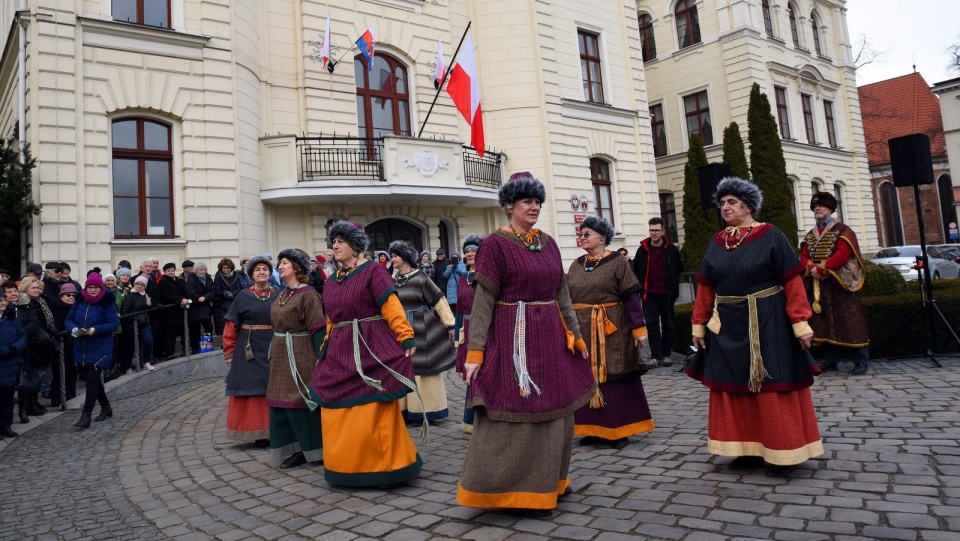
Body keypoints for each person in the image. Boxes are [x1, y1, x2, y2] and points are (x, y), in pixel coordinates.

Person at [458, 172, 594, 517]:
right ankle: (507, 489)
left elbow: (561, 294)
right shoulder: (494, 245)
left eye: (537, 201)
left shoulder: (548, 243)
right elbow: (484, 302)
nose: (533, 207)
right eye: (526, 202)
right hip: (510, 337)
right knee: (511, 407)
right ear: (509, 207)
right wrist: (476, 353)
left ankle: (550, 484)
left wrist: (576, 336)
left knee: (554, 407)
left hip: (549, 338)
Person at [687, 176, 822, 478]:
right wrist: (699, 326)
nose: (725, 207)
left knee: (771, 383)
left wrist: (800, 322)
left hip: (768, 320)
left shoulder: (771, 235)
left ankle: (782, 451)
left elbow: (792, 281)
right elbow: (706, 288)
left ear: (748, 206)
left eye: (732, 202)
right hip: (727, 325)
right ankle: (744, 449)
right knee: (733, 385)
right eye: (722, 203)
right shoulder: (717, 242)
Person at [310, 221, 423, 486]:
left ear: (356, 245)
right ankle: (344, 466)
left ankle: (384, 467)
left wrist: (405, 336)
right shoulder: (330, 283)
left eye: (340, 241)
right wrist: (325, 345)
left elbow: (391, 307)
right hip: (340, 347)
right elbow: (331, 319)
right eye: (333, 241)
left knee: (372, 405)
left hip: (371, 344)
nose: (334, 246)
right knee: (334, 403)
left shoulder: (374, 271)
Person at [569, 215, 653, 450]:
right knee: (586, 376)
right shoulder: (576, 264)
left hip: (613, 329)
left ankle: (619, 429)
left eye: (587, 234)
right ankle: (591, 428)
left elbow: (631, 297)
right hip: (583, 328)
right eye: (581, 234)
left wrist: (639, 329)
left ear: (602, 238)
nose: (582, 238)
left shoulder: (618, 263)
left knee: (615, 373)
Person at [266, 248, 325, 469]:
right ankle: (293, 448)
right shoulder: (282, 293)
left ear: (297, 268)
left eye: (285, 263)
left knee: (301, 400)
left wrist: (322, 357)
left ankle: (313, 449)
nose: (280, 266)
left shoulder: (308, 293)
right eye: (279, 263)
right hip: (281, 353)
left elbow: (318, 327)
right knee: (279, 400)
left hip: (300, 353)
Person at [801, 192, 870, 375]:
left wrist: (822, 269)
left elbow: (843, 253)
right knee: (824, 324)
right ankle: (830, 361)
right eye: (815, 206)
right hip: (820, 286)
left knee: (849, 321)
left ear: (830, 209)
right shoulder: (810, 234)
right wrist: (811, 268)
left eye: (821, 205)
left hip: (840, 284)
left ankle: (860, 361)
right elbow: (804, 255)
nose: (817, 208)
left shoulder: (843, 230)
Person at [389, 240, 456, 425]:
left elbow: (438, 300)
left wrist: (450, 324)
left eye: (395, 256)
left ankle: (429, 410)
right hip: (399, 330)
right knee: (403, 367)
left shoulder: (420, 277)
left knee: (425, 369)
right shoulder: (391, 280)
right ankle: (406, 411)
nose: (392, 259)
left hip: (422, 328)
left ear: (405, 257)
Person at [222, 256, 278, 446]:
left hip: (273, 347)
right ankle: (257, 432)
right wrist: (229, 352)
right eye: (257, 270)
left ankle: (275, 431)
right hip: (248, 350)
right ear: (252, 274)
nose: (261, 272)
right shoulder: (243, 296)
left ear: (270, 273)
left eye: (265, 269)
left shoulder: (280, 294)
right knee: (252, 390)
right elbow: (231, 325)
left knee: (273, 388)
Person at [66, 273, 120, 428]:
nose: (93, 290)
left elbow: (113, 324)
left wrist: (95, 330)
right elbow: (69, 319)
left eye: (96, 287)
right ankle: (106, 407)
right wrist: (73, 328)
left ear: (101, 287)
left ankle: (86, 415)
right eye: (90, 287)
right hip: (81, 346)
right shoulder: (79, 300)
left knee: (91, 379)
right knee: (93, 379)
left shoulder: (107, 303)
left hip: (100, 346)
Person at [632, 216, 684, 368]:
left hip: (667, 294)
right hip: (649, 294)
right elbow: (636, 269)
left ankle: (666, 355)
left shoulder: (671, 249)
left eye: (657, 230)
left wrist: (672, 285)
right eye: (651, 230)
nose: (654, 233)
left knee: (668, 325)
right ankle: (656, 356)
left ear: (663, 231)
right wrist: (641, 287)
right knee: (652, 325)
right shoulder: (642, 250)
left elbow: (679, 268)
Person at [454, 234, 483, 434]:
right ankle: (470, 420)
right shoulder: (463, 278)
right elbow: (459, 308)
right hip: (467, 328)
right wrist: (457, 333)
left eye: (473, 250)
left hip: (484, 328)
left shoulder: (487, 275)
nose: (470, 253)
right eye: (467, 251)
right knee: (471, 375)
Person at [18, 277, 58, 420]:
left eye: (38, 288)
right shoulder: (23, 303)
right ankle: (29, 404)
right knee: (30, 375)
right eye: (34, 288)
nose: (37, 290)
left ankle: (34, 401)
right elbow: (32, 323)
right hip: (30, 343)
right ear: (25, 288)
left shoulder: (40, 301)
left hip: (42, 342)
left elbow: (46, 320)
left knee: (39, 374)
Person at [0, 296, 26, 439]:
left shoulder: (11, 318)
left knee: (7, 398)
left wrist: (13, 349)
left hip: (10, 363)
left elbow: (22, 336)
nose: (3, 302)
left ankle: (6, 426)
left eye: (4, 299)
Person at [50, 283, 79, 406]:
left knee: (72, 372)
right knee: (59, 374)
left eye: (73, 295)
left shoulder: (76, 307)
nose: (71, 297)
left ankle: (71, 396)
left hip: (74, 344)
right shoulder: (56, 308)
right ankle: (58, 399)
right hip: (62, 345)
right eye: (68, 295)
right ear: (61, 296)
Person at [121, 276, 155, 372]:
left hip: (144, 323)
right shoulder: (130, 296)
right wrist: (134, 319)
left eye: (142, 285)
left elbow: (147, 309)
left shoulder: (146, 295)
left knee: (148, 341)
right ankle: (127, 367)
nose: (139, 286)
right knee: (130, 346)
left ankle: (146, 362)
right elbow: (124, 312)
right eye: (137, 284)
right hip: (132, 324)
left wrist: (149, 305)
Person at [158, 263, 190, 358]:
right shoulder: (163, 282)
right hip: (169, 313)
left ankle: (185, 350)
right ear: (165, 272)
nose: (171, 272)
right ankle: (169, 353)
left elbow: (184, 291)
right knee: (170, 335)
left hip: (179, 311)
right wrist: (180, 300)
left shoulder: (178, 281)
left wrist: (184, 299)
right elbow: (166, 295)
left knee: (182, 332)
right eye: (168, 271)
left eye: (172, 270)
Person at [186, 262, 215, 353]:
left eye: (204, 270)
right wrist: (199, 297)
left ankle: (206, 346)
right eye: (200, 270)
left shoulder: (209, 278)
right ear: (196, 270)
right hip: (195, 307)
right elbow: (191, 293)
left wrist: (205, 297)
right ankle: (195, 348)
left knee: (209, 327)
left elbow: (213, 291)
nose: (202, 272)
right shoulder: (191, 280)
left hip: (205, 307)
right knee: (195, 329)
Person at [213, 258, 245, 336]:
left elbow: (238, 288)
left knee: (234, 323)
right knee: (223, 325)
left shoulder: (236, 275)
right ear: (221, 268)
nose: (226, 270)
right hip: (221, 304)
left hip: (233, 302)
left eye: (228, 268)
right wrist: (225, 293)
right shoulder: (218, 276)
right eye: (224, 268)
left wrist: (232, 293)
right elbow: (217, 290)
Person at [442, 252, 466, 335]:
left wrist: (456, 267)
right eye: (453, 258)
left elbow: (463, 273)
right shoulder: (449, 266)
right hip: (451, 289)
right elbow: (445, 275)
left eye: (456, 258)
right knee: (453, 307)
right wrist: (450, 268)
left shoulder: (462, 265)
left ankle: (459, 324)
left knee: (459, 307)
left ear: (459, 258)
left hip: (459, 287)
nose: (455, 259)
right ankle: (455, 324)